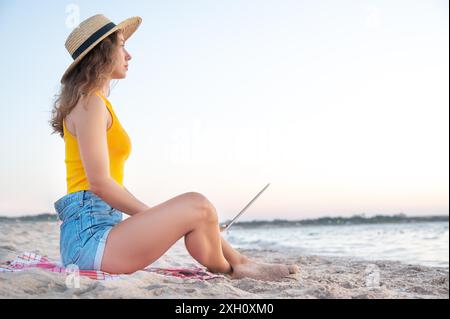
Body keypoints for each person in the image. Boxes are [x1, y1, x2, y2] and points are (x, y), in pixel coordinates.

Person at [49, 14, 298, 281]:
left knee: (202, 213)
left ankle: (235, 266)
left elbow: (112, 183)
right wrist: (153, 215)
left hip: (99, 230)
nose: (129, 55)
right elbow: (99, 184)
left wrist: (161, 217)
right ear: (102, 52)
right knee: (198, 204)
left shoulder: (94, 103)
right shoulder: (90, 103)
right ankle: (238, 266)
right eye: (122, 45)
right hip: (89, 240)